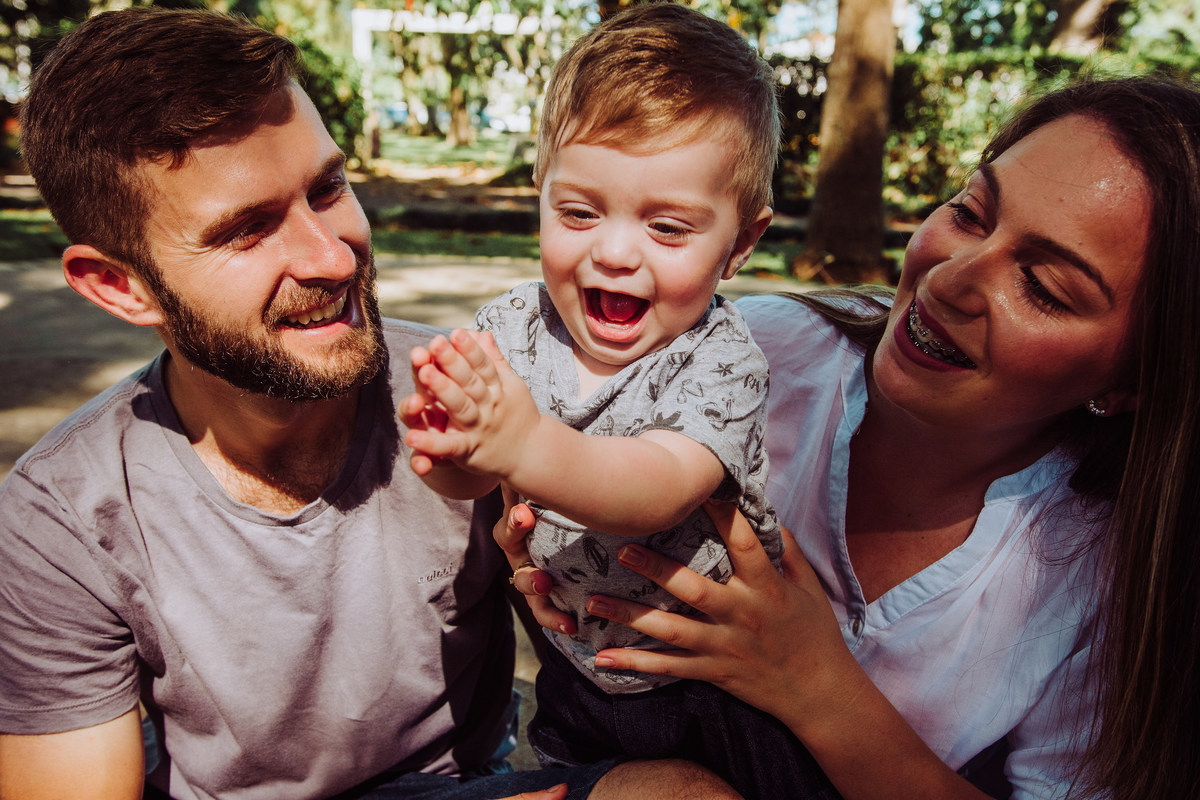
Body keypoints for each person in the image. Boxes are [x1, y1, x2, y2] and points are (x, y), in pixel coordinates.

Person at [0, 8, 744, 800]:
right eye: (248, 231)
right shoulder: (66, 516)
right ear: (121, 285)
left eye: (328, 188)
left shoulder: (482, 387)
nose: (331, 255)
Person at [503, 74, 1200, 800]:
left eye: (1046, 288)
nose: (951, 279)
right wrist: (547, 561)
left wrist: (819, 688)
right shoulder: (752, 353)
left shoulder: (1112, 586)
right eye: (970, 212)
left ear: (1132, 383)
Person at [400, 5, 834, 798]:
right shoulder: (511, 327)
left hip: (717, 684)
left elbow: (654, 487)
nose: (614, 251)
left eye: (668, 227)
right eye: (578, 212)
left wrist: (524, 445)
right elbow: (481, 485)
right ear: (541, 192)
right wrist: (451, 458)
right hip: (577, 671)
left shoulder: (722, 359)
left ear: (742, 242)